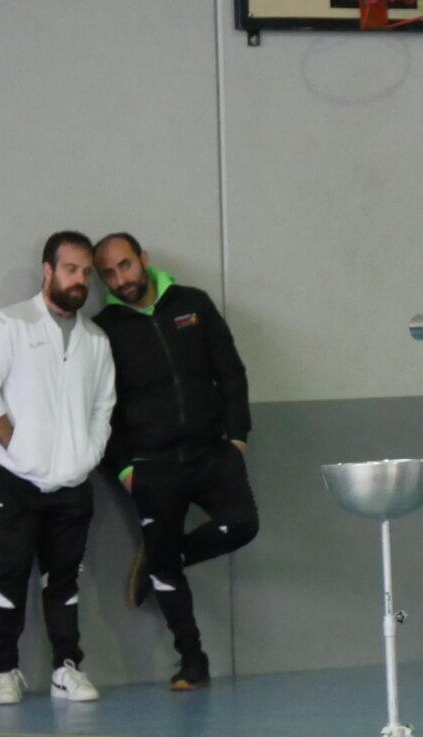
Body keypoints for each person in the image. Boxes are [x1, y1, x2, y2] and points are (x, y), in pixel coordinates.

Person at [92, 233, 257, 690]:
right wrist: (124, 468)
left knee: (242, 525)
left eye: (125, 265)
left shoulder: (194, 305)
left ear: (143, 260)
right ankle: (192, 662)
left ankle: (163, 558)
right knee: (167, 574)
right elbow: (99, 409)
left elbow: (230, 372)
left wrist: (237, 437)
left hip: (211, 454)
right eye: (108, 273)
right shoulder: (103, 329)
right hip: (151, 466)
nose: (120, 279)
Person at [0, 231, 115, 705]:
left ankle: (66, 669)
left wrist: (86, 458)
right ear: (48, 270)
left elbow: (102, 409)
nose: (80, 280)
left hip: (72, 483)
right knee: (11, 572)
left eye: (86, 272)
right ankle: (3, 670)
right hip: (12, 477)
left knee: (63, 579)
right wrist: (20, 449)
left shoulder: (95, 339)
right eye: (70, 269)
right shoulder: (11, 323)